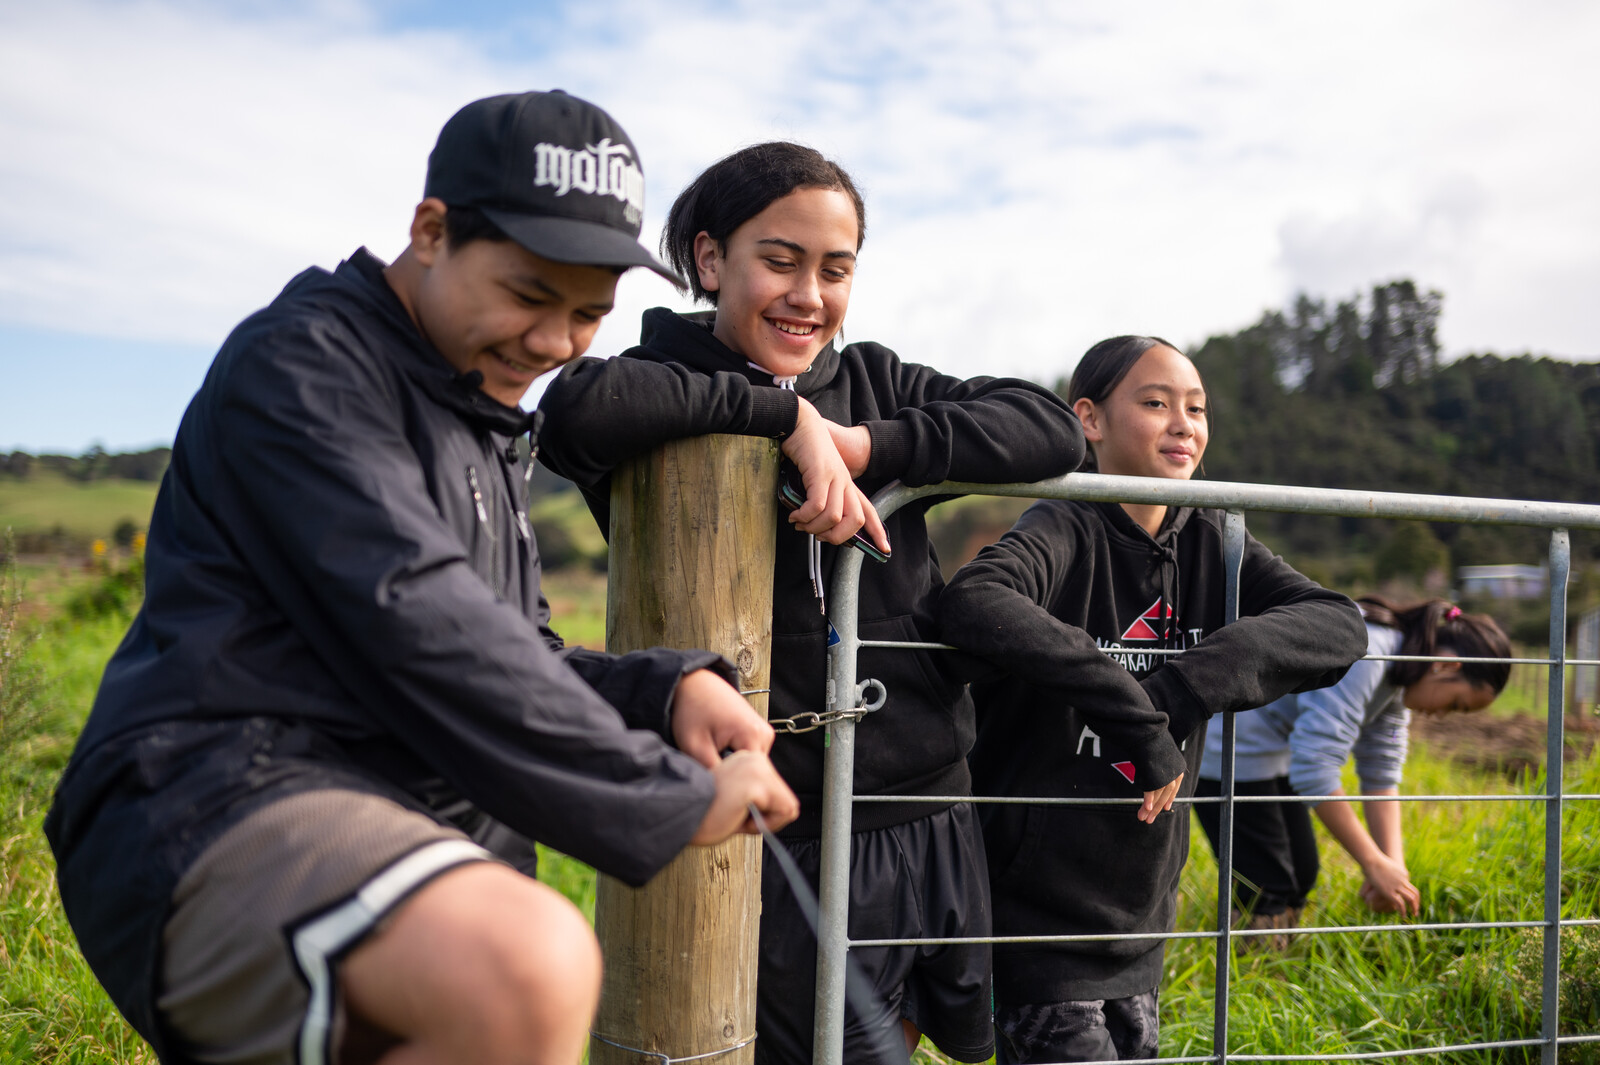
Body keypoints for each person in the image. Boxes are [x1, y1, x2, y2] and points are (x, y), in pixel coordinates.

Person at [44, 90, 799, 1065]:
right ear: (430, 230)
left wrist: (665, 692)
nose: (553, 343)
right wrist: (657, 790)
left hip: (410, 821)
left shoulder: (475, 411)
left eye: (586, 314)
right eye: (529, 295)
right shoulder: (305, 365)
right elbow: (419, 616)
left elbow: (515, 648)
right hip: (220, 792)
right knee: (522, 967)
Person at [536, 141, 1086, 1065]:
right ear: (711, 261)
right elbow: (573, 412)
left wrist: (865, 446)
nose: (808, 295)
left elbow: (1050, 427)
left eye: (835, 269)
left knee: (922, 1041)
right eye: (779, 260)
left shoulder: (873, 381)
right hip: (791, 824)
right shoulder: (656, 377)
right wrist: (781, 420)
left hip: (938, 806)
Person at [938, 335, 1368, 1062]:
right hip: (1039, 917)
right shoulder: (1065, 524)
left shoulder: (1213, 536)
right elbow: (977, 599)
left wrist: (1177, 690)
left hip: (1141, 914)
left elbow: (1338, 622)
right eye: (1156, 402)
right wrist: (1133, 713)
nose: (1184, 424)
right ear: (1090, 420)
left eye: (1197, 407)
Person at [1196, 596, 1511, 934]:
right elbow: (1315, 768)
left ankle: (1271, 966)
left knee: (1302, 876)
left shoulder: (1401, 670)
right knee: (1267, 885)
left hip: (1268, 749)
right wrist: (1373, 863)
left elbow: (1381, 770)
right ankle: (1243, 975)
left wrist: (1393, 870)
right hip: (1225, 745)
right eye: (1456, 704)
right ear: (1447, 665)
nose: (1443, 715)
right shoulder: (1370, 653)